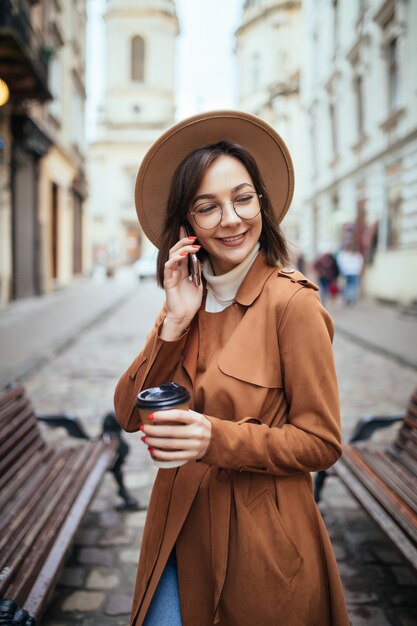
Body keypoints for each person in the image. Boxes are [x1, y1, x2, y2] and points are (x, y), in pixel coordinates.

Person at [114, 111, 349, 626]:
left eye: (243, 198)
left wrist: (211, 439)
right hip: (176, 526)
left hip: (259, 544)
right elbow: (130, 414)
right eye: (208, 207)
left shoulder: (293, 304)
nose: (231, 218)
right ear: (187, 226)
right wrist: (174, 321)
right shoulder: (185, 302)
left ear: (261, 203)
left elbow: (322, 442)